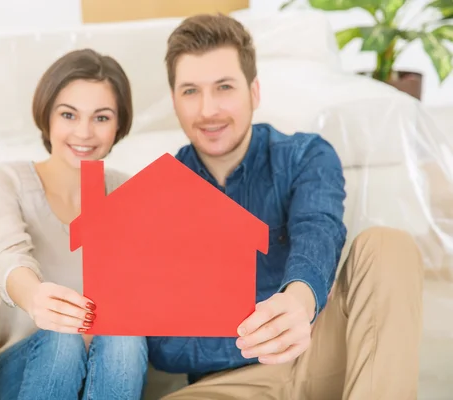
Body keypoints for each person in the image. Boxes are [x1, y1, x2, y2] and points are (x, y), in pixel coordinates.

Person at [147, 13, 424, 399]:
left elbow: (319, 229)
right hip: (231, 385)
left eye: (224, 87)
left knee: (387, 244)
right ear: (174, 100)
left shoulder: (303, 156)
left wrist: (300, 299)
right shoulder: (156, 194)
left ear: (254, 92)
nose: (208, 110)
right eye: (190, 91)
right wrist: (258, 337)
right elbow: (162, 343)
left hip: (321, 353)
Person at [0, 49, 148, 400]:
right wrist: (35, 297)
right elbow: (9, 256)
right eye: (69, 114)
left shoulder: (129, 192)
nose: (83, 132)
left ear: (119, 126)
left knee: (125, 334)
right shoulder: (6, 180)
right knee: (63, 337)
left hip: (99, 370)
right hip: (14, 369)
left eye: (101, 118)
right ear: (48, 118)